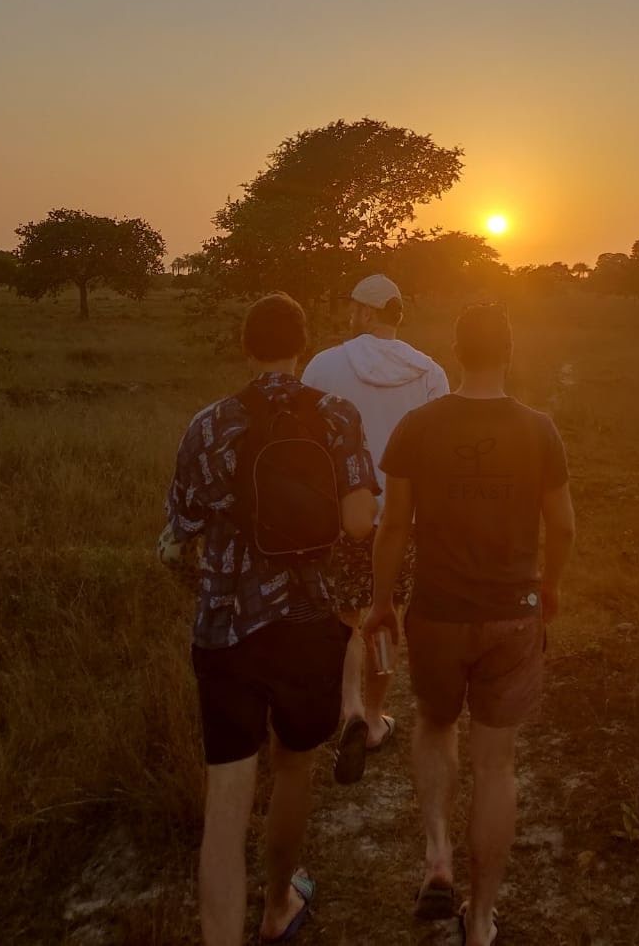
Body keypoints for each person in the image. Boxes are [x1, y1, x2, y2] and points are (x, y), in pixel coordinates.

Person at [159, 291, 379, 946]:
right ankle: (279, 903)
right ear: (301, 345)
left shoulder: (209, 423)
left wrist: (203, 583)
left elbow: (178, 534)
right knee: (292, 767)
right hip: (311, 625)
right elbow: (360, 522)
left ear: (247, 347)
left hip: (226, 628)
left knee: (225, 800)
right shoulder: (338, 417)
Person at [364, 304, 576, 946]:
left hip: (436, 612)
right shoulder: (539, 429)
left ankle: (437, 858)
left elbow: (394, 526)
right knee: (497, 765)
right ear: (508, 352)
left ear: (456, 352)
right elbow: (562, 525)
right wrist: (549, 589)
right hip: (513, 615)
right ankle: (480, 920)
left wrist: (380, 605)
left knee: (432, 724)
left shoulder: (418, 425)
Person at [301, 273, 448, 767]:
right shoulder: (429, 372)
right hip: (400, 522)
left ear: (364, 312)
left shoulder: (324, 365)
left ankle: (350, 710)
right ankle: (379, 714)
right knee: (385, 617)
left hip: (341, 515)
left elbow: (307, 442)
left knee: (347, 614)